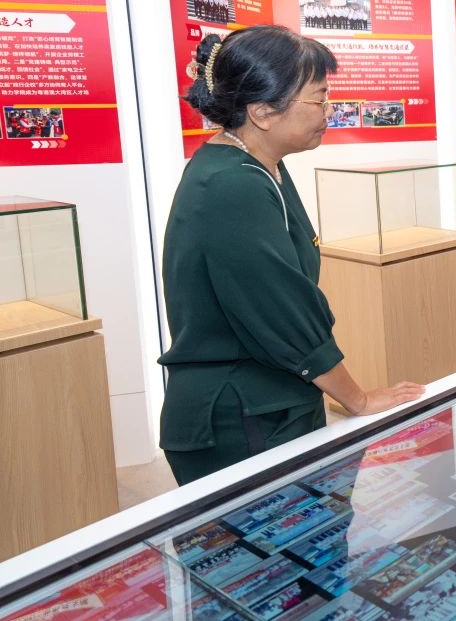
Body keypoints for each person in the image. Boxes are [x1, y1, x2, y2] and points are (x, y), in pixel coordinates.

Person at [160, 26, 424, 485]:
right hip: (244, 415)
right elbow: (284, 314)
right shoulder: (233, 185)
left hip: (271, 398)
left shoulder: (259, 165)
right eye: (319, 98)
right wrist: (358, 399)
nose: (329, 110)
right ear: (262, 111)